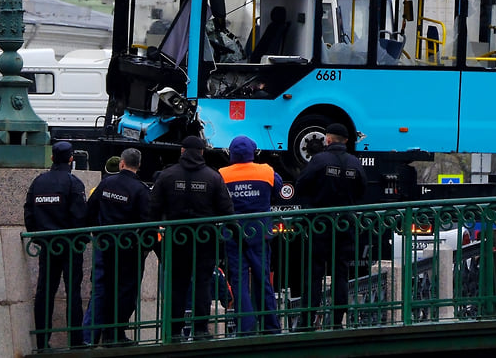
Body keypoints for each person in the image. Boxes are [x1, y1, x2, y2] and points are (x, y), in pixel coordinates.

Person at [150, 135, 234, 341]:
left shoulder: (167, 175)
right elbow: (227, 210)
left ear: (182, 151)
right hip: (205, 239)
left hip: (176, 239)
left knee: (177, 285)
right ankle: (200, 329)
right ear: (202, 152)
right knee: (203, 284)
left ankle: (175, 331)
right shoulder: (213, 177)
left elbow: (152, 210)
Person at [295, 123, 367, 330]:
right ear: (346, 141)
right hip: (345, 224)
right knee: (341, 272)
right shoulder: (355, 163)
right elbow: (362, 190)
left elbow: (302, 184)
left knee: (314, 273)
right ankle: (337, 320)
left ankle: (307, 320)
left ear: (327, 139)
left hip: (320, 223)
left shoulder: (319, 160)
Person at [24, 140, 88, 349]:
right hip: (70, 247)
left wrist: (38, 238)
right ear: (71, 159)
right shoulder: (74, 183)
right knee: (73, 294)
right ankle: (76, 341)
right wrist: (80, 240)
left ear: (52, 158)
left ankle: (42, 341)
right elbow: (80, 217)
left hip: (48, 247)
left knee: (44, 293)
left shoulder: (38, 182)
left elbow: (29, 213)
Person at [219, 135, 284, 335]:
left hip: (234, 233)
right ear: (252, 153)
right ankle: (271, 326)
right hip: (260, 232)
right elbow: (279, 190)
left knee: (238, 281)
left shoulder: (222, 174)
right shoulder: (266, 171)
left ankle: (246, 327)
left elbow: (218, 200)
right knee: (262, 278)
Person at [86, 148, 151, 346]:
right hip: (128, 249)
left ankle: (102, 334)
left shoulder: (107, 183)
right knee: (126, 291)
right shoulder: (140, 190)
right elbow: (148, 221)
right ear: (138, 166)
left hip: (105, 246)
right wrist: (145, 248)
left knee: (105, 289)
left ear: (122, 163)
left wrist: (96, 234)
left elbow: (90, 210)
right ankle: (116, 333)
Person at [83, 156, 123, 345]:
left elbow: (89, 213)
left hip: (102, 244)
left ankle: (89, 338)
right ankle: (111, 335)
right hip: (123, 247)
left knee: (99, 292)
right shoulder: (129, 188)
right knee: (119, 292)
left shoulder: (98, 188)